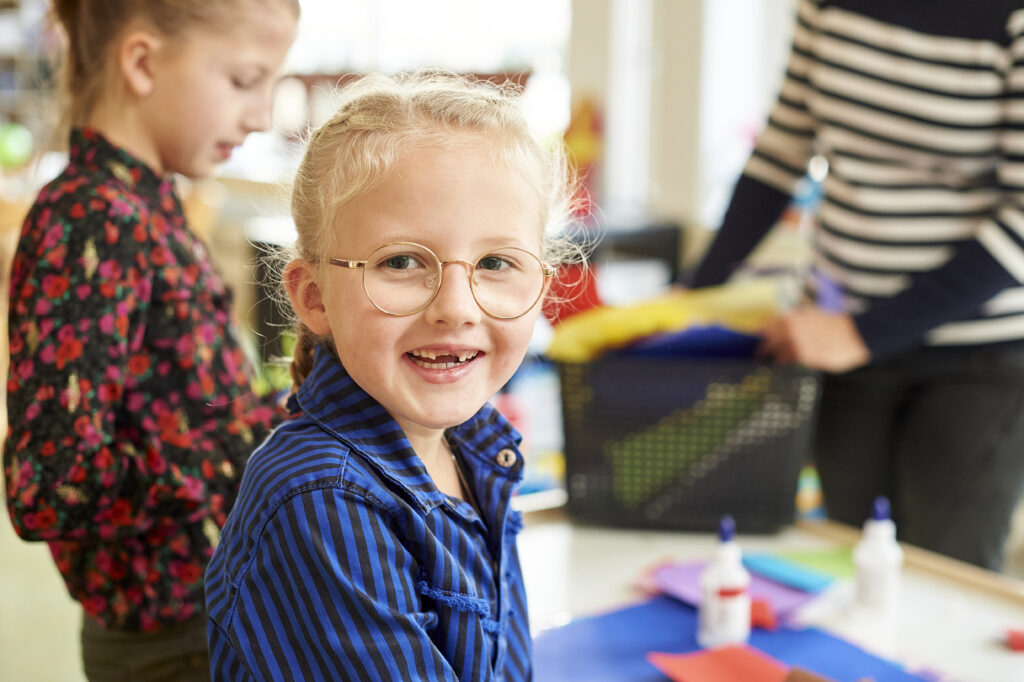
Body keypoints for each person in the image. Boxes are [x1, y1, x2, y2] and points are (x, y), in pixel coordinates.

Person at [204, 71, 580, 681]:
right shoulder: (322, 500)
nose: (456, 306)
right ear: (314, 295)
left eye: (495, 262)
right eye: (401, 261)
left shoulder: (471, 440)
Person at [3, 1, 298, 679]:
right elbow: (47, 484)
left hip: (214, 609)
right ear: (141, 63)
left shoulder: (146, 203)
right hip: (169, 641)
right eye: (244, 80)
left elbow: (184, 401)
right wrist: (226, 457)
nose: (258, 116)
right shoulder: (90, 219)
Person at [689, 0, 1024, 571]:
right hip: (840, 341)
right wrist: (694, 294)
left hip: (976, 357)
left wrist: (862, 333)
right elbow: (781, 153)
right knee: (845, 562)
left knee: (942, 576)